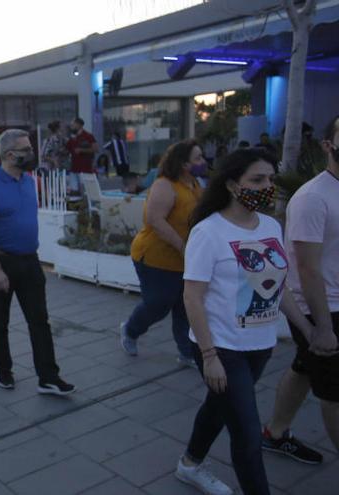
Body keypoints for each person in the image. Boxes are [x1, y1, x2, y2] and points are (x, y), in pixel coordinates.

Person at [175, 148, 315, 495]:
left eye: (270, 178)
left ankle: (189, 464)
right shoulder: (208, 232)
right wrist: (209, 357)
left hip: (259, 345)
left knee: (219, 407)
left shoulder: (269, 225)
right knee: (248, 434)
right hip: (222, 347)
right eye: (257, 179)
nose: (267, 185)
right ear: (233, 184)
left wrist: (307, 329)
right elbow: (192, 297)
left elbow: (277, 287)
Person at [0, 129, 75, 394]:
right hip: (1, 263)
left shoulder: (29, 181)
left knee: (39, 320)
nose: (32, 154)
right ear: (9, 155)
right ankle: (4, 371)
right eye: (26, 150)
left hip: (30, 261)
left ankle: (48, 377)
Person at [262, 115, 339, 464]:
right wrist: (321, 328)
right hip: (322, 307)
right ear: (328, 145)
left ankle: (275, 433)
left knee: (304, 368)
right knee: (334, 393)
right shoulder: (312, 198)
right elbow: (307, 269)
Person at [121, 140, 204, 367]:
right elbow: (155, 220)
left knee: (185, 307)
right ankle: (130, 330)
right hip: (155, 256)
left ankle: (187, 353)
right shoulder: (164, 185)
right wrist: (182, 246)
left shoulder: (195, 184)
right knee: (158, 304)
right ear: (183, 162)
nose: (203, 162)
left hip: (185, 259)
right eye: (197, 158)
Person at [66, 117, 97, 192]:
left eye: (73, 124)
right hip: (74, 168)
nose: (72, 126)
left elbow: (95, 149)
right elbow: (67, 149)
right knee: (74, 190)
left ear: (79, 125)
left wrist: (82, 150)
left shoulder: (88, 136)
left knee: (85, 190)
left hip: (85, 168)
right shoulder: (72, 137)